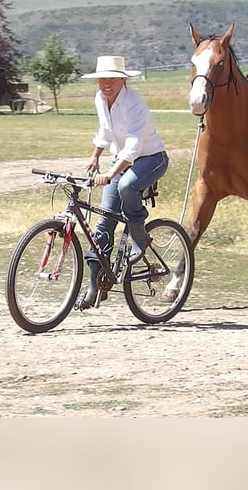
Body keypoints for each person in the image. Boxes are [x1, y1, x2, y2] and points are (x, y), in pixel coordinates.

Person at [78, 55, 169, 309]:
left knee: (126, 185)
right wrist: (96, 156)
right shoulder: (100, 99)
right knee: (104, 220)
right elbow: (106, 131)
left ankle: (140, 238)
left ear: (122, 80)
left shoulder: (134, 104)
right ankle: (95, 287)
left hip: (151, 158)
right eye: (102, 79)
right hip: (122, 160)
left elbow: (132, 147)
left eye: (112, 78)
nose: (106, 83)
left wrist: (110, 173)